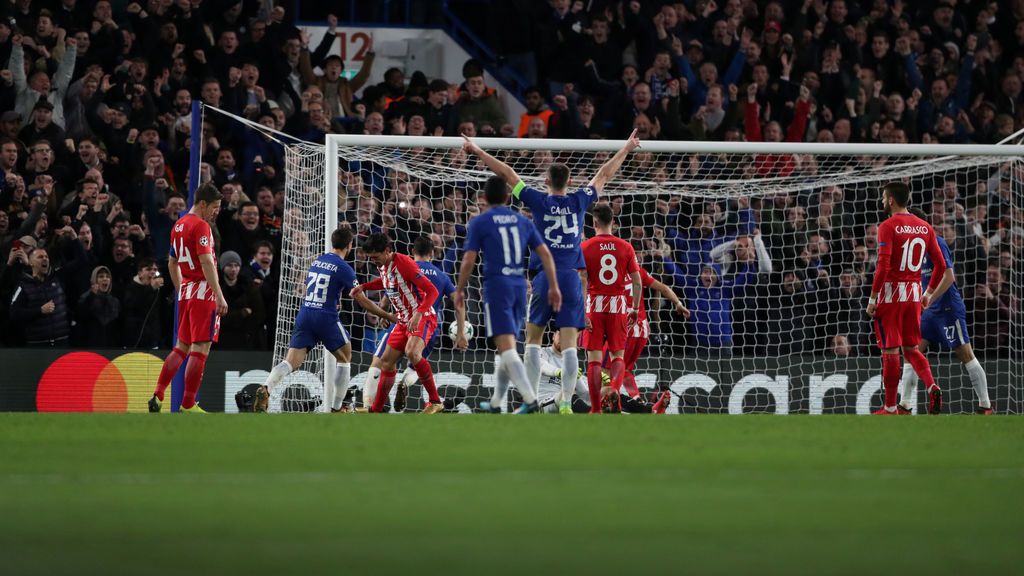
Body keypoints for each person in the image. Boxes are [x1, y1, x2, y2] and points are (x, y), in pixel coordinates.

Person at [461, 129, 640, 413]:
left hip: (545, 277)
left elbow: (507, 174)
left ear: (546, 181)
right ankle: (567, 401)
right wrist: (627, 147)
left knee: (533, 340)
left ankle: (530, 400)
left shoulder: (537, 200)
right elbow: (604, 174)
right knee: (570, 346)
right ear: (569, 182)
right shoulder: (580, 200)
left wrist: (478, 150)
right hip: (570, 278)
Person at [256, 227, 395, 413]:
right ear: (350, 245)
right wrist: (386, 315)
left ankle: (266, 388)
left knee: (291, 362)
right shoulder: (344, 268)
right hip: (325, 316)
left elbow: (311, 288)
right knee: (345, 357)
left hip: (305, 313)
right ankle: (337, 408)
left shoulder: (318, 261)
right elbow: (361, 299)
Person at [454, 175, 559, 414]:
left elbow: (469, 260)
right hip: (520, 287)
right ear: (507, 196)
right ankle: (495, 402)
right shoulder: (523, 221)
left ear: (484, 198)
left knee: (507, 348)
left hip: (497, 286)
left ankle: (530, 399)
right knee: (506, 348)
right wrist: (553, 286)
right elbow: (545, 255)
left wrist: (459, 289)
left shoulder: (481, 222)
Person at [898, 208, 991, 414]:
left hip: (948, 308)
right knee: (911, 352)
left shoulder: (936, 242)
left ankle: (986, 405)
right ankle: (905, 404)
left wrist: (930, 296)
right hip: (928, 310)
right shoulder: (912, 247)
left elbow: (949, 277)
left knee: (965, 354)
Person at [866, 182, 947, 415]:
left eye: (884, 198)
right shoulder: (925, 227)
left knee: (890, 350)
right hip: (913, 295)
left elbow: (882, 266)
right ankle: (932, 385)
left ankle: (890, 407)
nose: (882, 201)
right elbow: (940, 266)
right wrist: (928, 293)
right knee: (911, 348)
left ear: (891, 200)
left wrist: (873, 298)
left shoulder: (888, 225)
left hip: (891, 295)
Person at [363, 235, 468, 413]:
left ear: (412, 251)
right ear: (432, 253)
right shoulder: (441, 275)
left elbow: (391, 291)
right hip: (427, 328)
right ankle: (401, 386)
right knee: (412, 361)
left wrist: (383, 311)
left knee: (378, 363)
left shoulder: (403, 266)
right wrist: (461, 332)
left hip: (411, 318)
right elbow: (458, 302)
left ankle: (369, 404)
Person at [149, 184, 228, 413]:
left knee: (181, 346)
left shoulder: (178, 225)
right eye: (214, 207)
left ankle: (158, 393)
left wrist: (181, 288)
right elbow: (206, 262)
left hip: (186, 291)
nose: (216, 212)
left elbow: (172, 262)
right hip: (204, 292)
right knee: (200, 348)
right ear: (202, 204)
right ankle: (188, 404)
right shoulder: (201, 226)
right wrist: (219, 295)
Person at [350, 233, 445, 414]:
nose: (374, 262)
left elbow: (431, 291)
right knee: (386, 362)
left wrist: (418, 314)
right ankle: (376, 409)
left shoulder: (404, 262)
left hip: (423, 316)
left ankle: (435, 401)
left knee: (412, 352)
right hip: (403, 320)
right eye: (371, 259)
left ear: (387, 251)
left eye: (376, 257)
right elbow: (386, 283)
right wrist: (364, 287)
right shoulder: (384, 265)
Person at [579, 203, 641, 413]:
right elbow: (637, 281)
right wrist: (633, 308)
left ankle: (596, 409)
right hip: (618, 307)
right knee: (618, 357)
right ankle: (614, 389)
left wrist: (581, 310)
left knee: (594, 361)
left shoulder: (585, 247)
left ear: (594, 222)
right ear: (613, 222)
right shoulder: (626, 247)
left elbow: (582, 279)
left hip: (594, 307)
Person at [612, 258, 689, 409]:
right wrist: (678, 304)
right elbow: (664, 288)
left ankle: (617, 403)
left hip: (624, 327)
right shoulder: (639, 272)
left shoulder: (613, 273)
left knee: (607, 368)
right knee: (625, 368)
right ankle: (637, 399)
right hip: (642, 329)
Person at [10, 245, 70, 346]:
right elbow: (14, 314)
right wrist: (40, 310)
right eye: (40, 257)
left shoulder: (58, 278)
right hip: (38, 346)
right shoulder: (23, 286)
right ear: (31, 263)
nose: (45, 259)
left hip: (63, 342)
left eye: (46, 256)